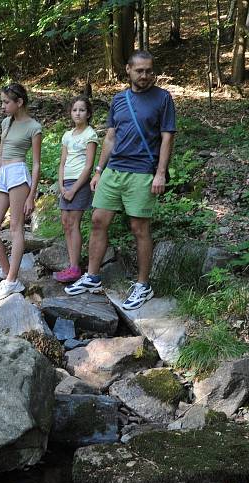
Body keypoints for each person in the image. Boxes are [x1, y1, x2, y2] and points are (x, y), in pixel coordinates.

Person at [64, 50, 176, 310]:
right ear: (128, 70)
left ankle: (143, 285)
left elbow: (167, 137)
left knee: (139, 228)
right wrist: (100, 170)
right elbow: (111, 137)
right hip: (114, 170)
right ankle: (92, 277)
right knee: (98, 220)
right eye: (140, 71)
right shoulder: (119, 99)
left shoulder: (163, 98)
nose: (145, 75)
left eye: (149, 70)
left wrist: (160, 172)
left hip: (142, 171)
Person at [0, 83, 43, 301]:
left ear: (20, 102)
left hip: (19, 174)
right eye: (2, 101)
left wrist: (32, 195)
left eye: (6, 102)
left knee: (17, 228)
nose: (3, 106)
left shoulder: (33, 127)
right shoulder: (6, 123)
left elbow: (36, 164)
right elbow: (1, 155)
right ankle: (6, 269)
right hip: (5, 175)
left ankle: (11, 281)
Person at [53, 96, 98, 283]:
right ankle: (71, 265)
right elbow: (62, 163)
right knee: (65, 222)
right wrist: (61, 185)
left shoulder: (90, 134)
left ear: (88, 114)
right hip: (66, 183)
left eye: (81, 110)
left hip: (80, 183)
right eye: (74, 110)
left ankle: (75, 267)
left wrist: (74, 189)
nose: (77, 113)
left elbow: (89, 166)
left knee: (73, 222)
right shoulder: (67, 135)